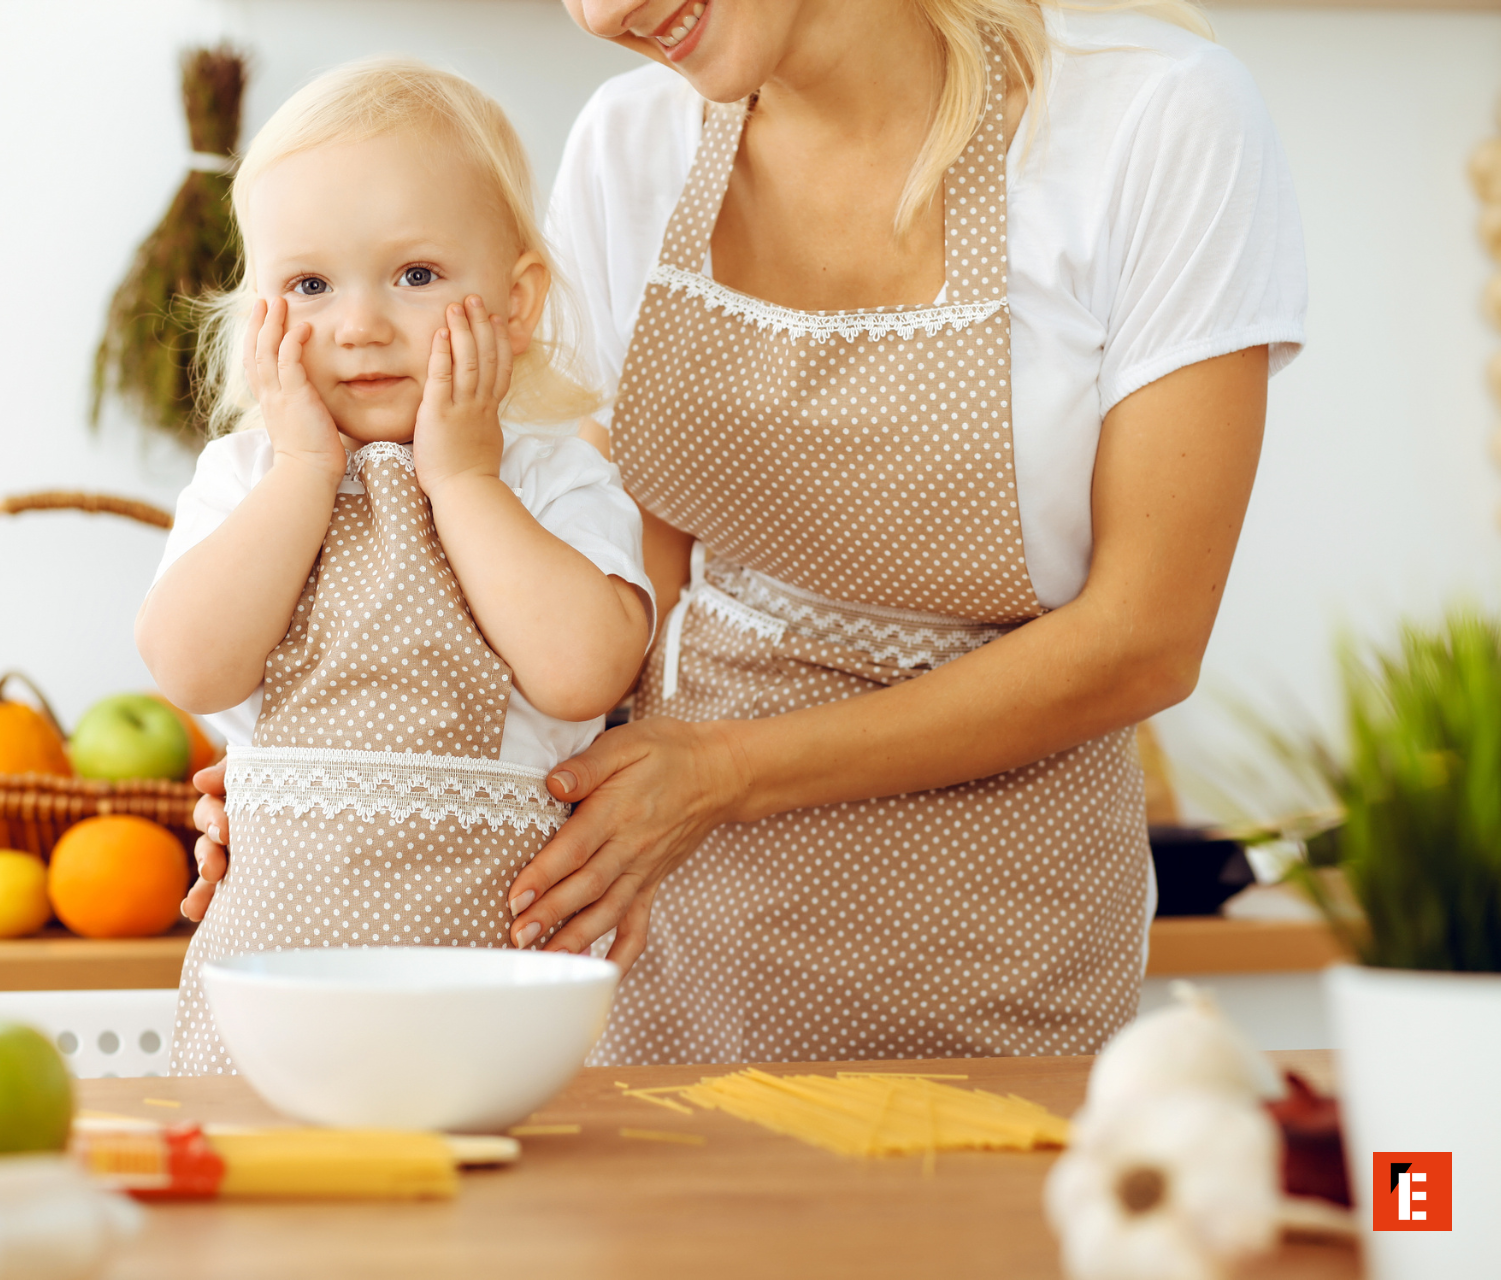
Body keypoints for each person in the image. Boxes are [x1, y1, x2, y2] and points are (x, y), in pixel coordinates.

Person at [182, 0, 1308, 1069]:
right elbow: (610, 595)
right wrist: (356, 784)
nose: (602, 15)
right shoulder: (633, 147)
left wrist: (722, 772)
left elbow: (1145, 635)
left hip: (995, 929)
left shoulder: (1154, 122)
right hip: (659, 908)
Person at [139, 59, 653, 1075]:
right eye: (309, 284)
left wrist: (463, 479)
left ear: (514, 303)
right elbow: (190, 667)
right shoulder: (248, 477)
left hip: (493, 1001)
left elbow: (585, 670)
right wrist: (300, 472)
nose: (359, 324)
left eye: (415, 275)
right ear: (259, 317)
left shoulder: (551, 475)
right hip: (274, 1013)